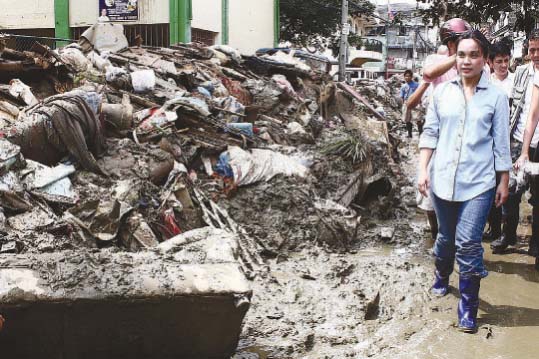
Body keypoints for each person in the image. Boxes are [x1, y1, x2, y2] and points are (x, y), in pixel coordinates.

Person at [418, 30, 511, 333]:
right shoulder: (441, 93)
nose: (467, 61)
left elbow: (500, 143)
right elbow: (430, 133)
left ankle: (468, 308)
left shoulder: (497, 96)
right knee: (446, 238)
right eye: (461, 54)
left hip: (479, 183)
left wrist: (503, 180)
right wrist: (422, 170)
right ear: (453, 57)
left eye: (474, 55)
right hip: (442, 178)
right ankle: (443, 275)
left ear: (485, 59)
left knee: (469, 243)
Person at [408, 19, 472, 243]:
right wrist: (459, 56)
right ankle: (437, 234)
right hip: (438, 134)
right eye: (461, 41)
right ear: (451, 43)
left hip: (464, 135)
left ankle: (453, 236)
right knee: (430, 192)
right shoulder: (438, 59)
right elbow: (429, 72)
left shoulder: (470, 63)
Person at [491, 29, 539, 255]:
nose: (536, 54)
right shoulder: (521, 73)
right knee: (510, 190)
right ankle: (508, 235)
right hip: (518, 140)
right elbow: (515, 109)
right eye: (532, 49)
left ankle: (535, 244)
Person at [483, 42, 514, 242]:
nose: (503, 65)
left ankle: (509, 233)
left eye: (506, 61)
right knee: (490, 188)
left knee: (511, 190)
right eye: (499, 62)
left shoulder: (516, 82)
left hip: (512, 141)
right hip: (489, 145)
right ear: (490, 63)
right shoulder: (485, 83)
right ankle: (494, 229)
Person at [400, 69, 420, 138]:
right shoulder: (403, 86)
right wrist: (403, 105)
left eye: (409, 76)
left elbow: (420, 94)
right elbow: (402, 96)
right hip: (407, 103)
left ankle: (421, 134)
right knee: (407, 120)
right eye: (406, 76)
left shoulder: (417, 85)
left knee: (418, 118)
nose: (407, 78)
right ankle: (409, 134)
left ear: (411, 77)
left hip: (415, 103)